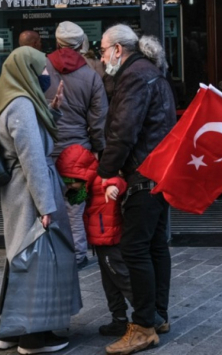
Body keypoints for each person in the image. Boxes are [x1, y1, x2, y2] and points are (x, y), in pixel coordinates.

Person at [0, 46, 81, 354]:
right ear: (26, 71)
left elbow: (32, 140)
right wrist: (46, 207)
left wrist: (52, 110)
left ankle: (9, 330)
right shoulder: (21, 105)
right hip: (29, 193)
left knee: (21, 255)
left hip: (20, 190)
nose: (46, 74)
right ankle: (33, 337)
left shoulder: (11, 98)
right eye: (41, 69)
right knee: (36, 257)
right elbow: (33, 159)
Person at [98, 25, 175, 355]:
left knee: (134, 249)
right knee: (155, 245)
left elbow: (123, 131)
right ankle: (158, 316)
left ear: (118, 49)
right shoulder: (150, 72)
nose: (102, 59)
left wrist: (106, 171)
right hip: (159, 172)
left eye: (103, 51)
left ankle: (143, 326)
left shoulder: (133, 76)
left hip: (143, 175)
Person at [43, 21, 108, 270]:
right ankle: (78, 254)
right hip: (78, 154)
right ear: (82, 44)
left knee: (45, 204)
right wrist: (98, 148)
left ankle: (51, 253)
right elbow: (99, 119)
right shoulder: (91, 75)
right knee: (75, 205)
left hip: (46, 150)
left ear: (57, 42)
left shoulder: (40, 68)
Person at [56, 144, 133, 337]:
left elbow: (118, 181)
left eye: (70, 182)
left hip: (111, 241)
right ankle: (119, 320)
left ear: (80, 175)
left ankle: (147, 318)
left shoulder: (101, 181)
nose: (69, 186)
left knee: (124, 280)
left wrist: (112, 186)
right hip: (101, 241)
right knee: (110, 285)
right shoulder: (87, 187)